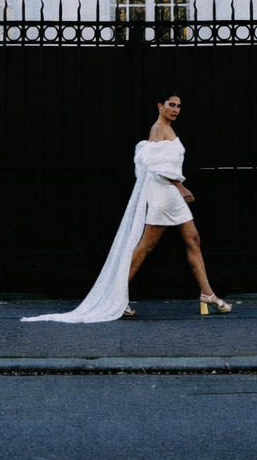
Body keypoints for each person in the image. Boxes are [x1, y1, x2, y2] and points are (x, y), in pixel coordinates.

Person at [22, 91, 232, 323]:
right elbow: (151, 164)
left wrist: (177, 188)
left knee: (193, 239)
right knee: (146, 245)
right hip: (162, 193)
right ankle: (116, 297)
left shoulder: (168, 129)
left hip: (171, 192)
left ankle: (207, 294)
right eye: (171, 105)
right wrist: (180, 187)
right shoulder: (157, 129)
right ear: (160, 106)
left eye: (179, 106)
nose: (175, 109)